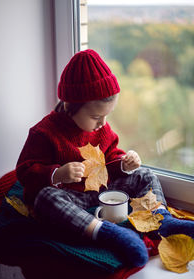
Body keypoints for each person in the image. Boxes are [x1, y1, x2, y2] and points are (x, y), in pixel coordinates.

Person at [16, 49, 194, 268]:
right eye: (96, 117)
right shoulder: (44, 133)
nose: (102, 123)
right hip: (70, 199)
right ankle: (107, 233)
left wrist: (124, 164)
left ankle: (161, 218)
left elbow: (110, 156)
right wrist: (56, 174)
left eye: (106, 116)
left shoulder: (101, 128)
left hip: (101, 191)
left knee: (144, 174)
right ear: (70, 105)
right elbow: (24, 171)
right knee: (45, 199)